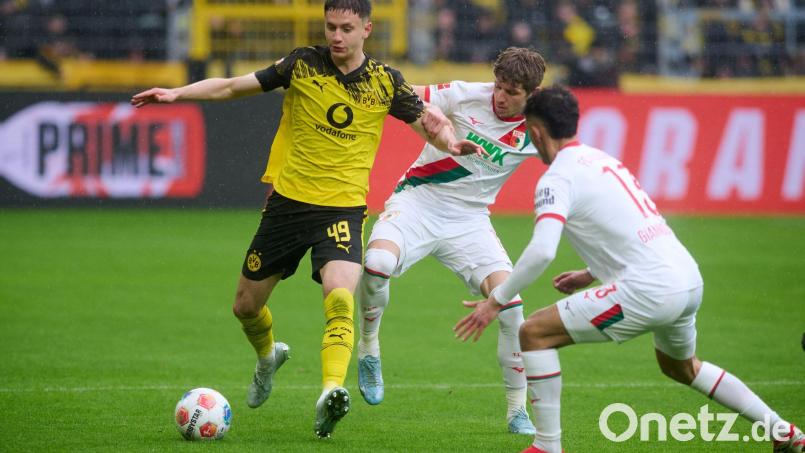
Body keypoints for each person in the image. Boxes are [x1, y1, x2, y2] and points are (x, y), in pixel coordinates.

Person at [131, 0, 482, 439]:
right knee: (245, 306)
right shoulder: (301, 64)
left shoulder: (384, 82)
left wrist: (451, 143)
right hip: (287, 206)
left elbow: (429, 120)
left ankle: (331, 392)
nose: (337, 35)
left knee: (339, 297)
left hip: (342, 209)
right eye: (331, 26)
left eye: (346, 28)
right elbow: (232, 88)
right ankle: (266, 358)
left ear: (366, 30)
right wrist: (177, 94)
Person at [453, 85, 804, 453]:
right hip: (686, 278)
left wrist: (496, 300)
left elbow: (542, 251)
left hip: (648, 289)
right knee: (682, 368)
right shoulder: (603, 160)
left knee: (534, 333)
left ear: (536, 132)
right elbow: (632, 223)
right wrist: (591, 272)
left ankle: (546, 446)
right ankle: (781, 430)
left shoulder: (557, 178)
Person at [356, 47, 547, 434]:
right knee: (376, 266)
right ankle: (369, 346)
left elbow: (573, 163)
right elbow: (402, 92)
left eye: (511, 92)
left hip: (469, 222)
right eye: (498, 86)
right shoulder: (464, 94)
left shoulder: (539, 129)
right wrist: (426, 111)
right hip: (417, 203)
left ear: (532, 93)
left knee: (511, 309)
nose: (499, 97)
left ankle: (516, 411)